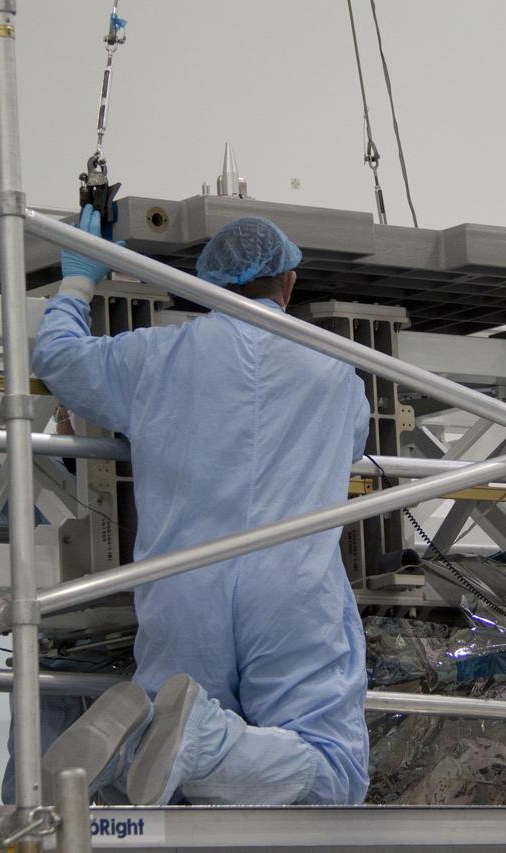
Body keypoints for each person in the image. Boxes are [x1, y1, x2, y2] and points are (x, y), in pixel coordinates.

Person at [30, 209, 372, 806]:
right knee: (333, 775)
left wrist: (81, 278)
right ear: (288, 283)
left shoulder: (153, 357)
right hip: (292, 590)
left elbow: (57, 358)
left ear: (207, 285)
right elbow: (353, 445)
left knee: (170, 785)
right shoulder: (335, 368)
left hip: (181, 586)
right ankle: (198, 737)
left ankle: (132, 741)